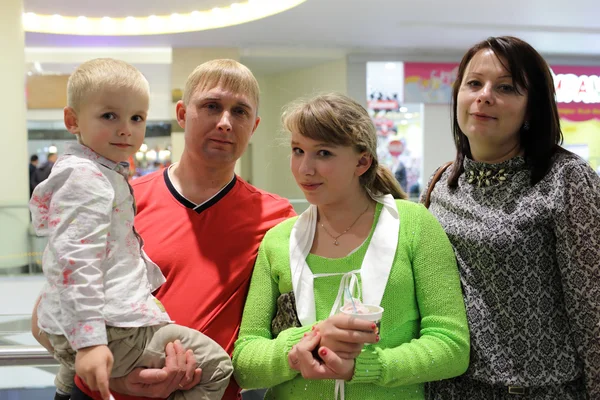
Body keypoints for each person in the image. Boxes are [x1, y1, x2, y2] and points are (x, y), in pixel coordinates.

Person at [32, 59, 296, 400]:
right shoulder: (119, 200)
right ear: (182, 114)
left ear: (254, 125)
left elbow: (273, 337)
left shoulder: (277, 217)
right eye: (212, 106)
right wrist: (119, 378)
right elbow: (46, 316)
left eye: (240, 112)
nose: (226, 122)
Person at [232, 93, 470, 399]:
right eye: (298, 150)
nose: (305, 168)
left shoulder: (413, 226)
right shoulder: (278, 240)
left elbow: (451, 345)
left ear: (362, 161)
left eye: (324, 153)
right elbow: (245, 362)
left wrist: (367, 366)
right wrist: (301, 347)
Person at [423, 36, 600, 399]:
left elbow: (592, 305)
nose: (484, 95)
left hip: (539, 391)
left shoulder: (565, 179)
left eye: (506, 87)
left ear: (532, 109)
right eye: (474, 83)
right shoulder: (441, 182)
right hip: (448, 388)